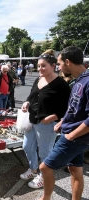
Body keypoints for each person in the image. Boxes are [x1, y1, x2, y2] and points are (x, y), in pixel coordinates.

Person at [39, 47, 89, 200]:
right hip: (73, 133)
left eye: (60, 63)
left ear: (67, 62)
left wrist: (71, 136)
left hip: (75, 136)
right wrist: (63, 120)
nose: (59, 67)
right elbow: (74, 107)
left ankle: (45, 198)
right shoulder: (79, 80)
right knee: (75, 168)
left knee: (44, 167)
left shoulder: (87, 82)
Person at [20, 49, 71, 189]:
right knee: (27, 146)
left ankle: (43, 177)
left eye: (43, 66)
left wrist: (53, 117)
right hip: (32, 120)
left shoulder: (61, 84)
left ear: (53, 66)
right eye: (38, 66)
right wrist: (27, 102)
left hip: (47, 124)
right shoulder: (38, 79)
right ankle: (33, 169)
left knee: (45, 152)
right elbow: (32, 95)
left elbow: (68, 107)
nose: (40, 68)